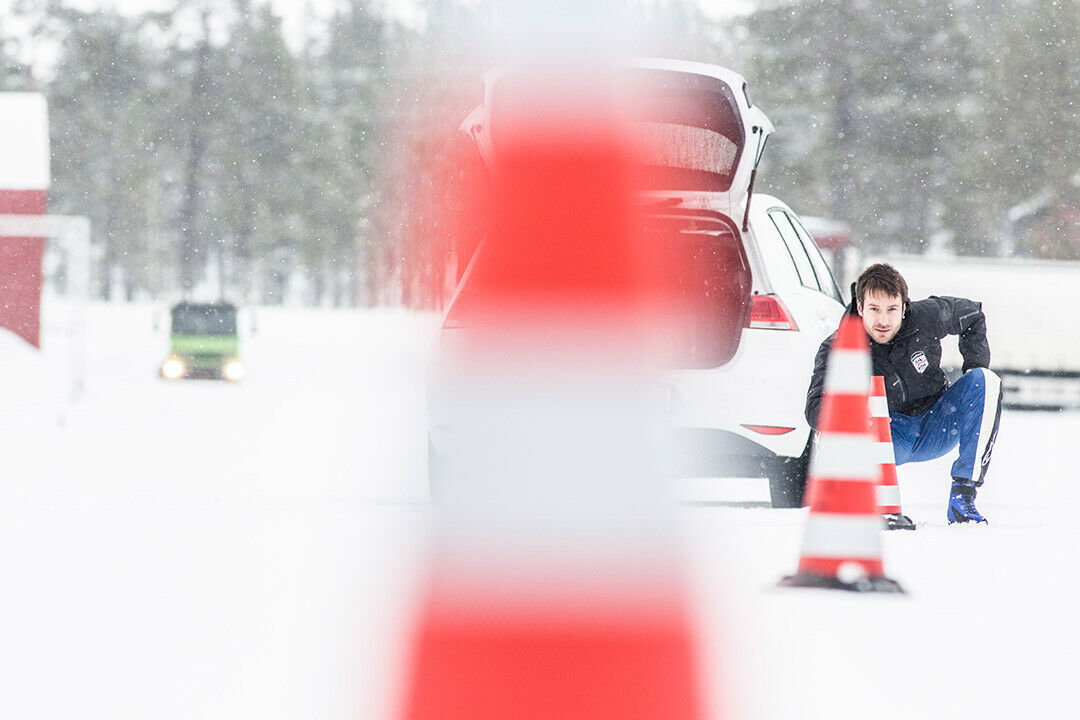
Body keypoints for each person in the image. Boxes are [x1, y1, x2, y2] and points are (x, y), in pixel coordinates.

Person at [805, 263, 1001, 524]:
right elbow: (815, 408)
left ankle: (962, 497)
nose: (883, 321)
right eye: (874, 309)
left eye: (891, 309)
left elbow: (973, 316)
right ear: (860, 307)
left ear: (904, 307)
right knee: (833, 434)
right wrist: (852, 417)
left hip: (937, 424)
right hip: (886, 438)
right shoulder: (839, 347)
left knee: (985, 380)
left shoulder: (928, 316)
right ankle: (867, 503)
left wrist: (973, 366)